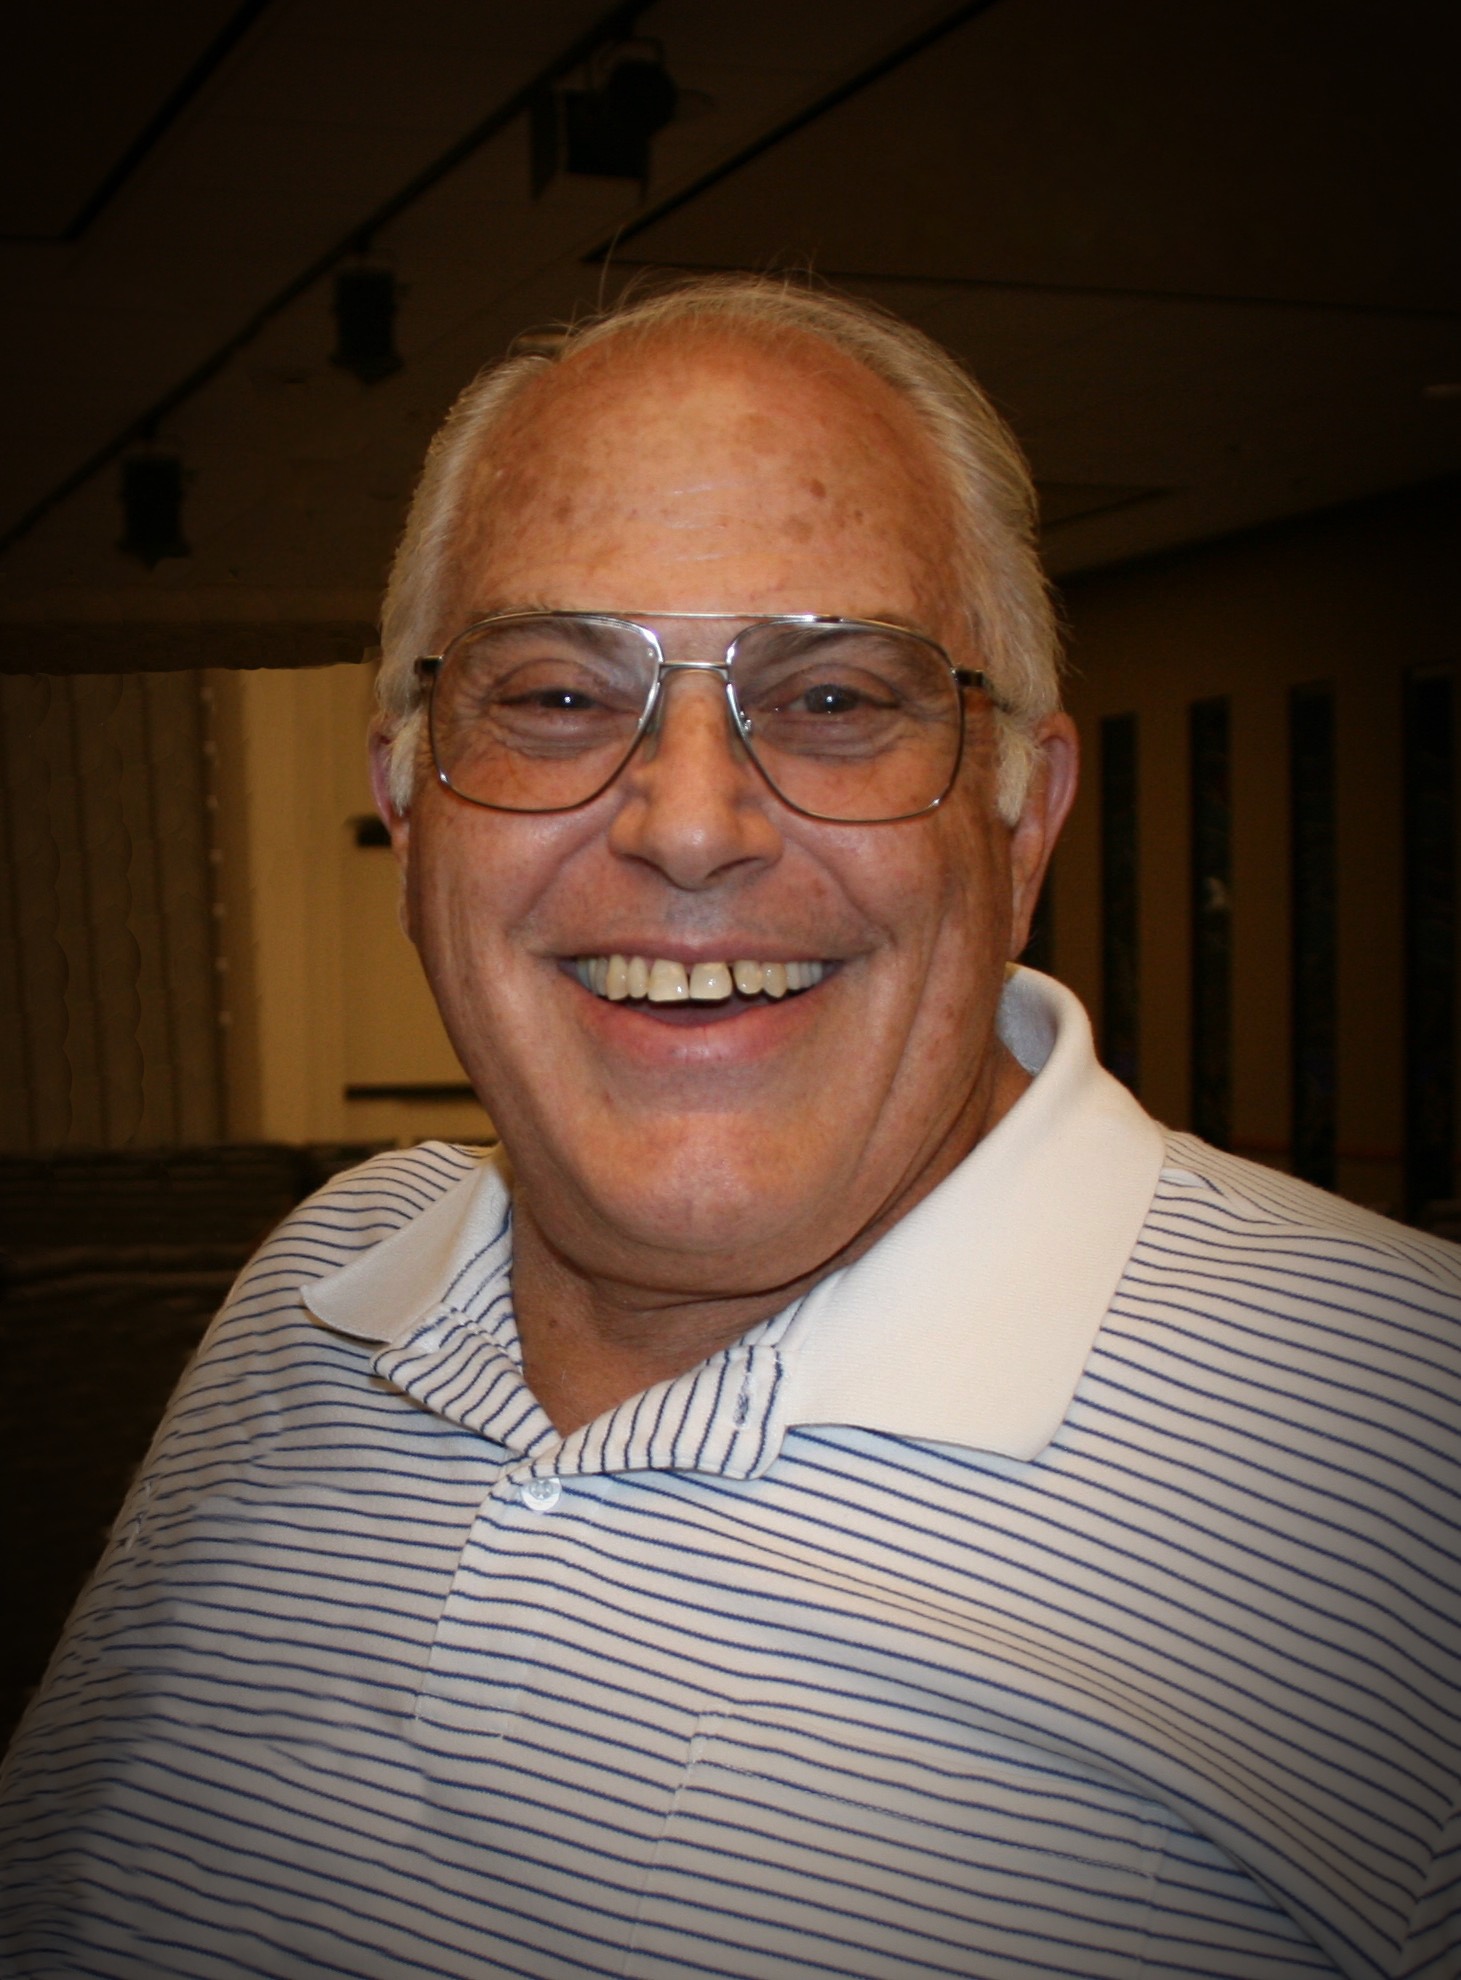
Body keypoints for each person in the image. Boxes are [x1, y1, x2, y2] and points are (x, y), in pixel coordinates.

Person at [2, 276, 1458, 1980]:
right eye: (554, 695)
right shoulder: (317, 1288)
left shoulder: (1405, 1436)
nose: (689, 825)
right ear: (409, 813)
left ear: (1019, 820)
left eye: (834, 699)